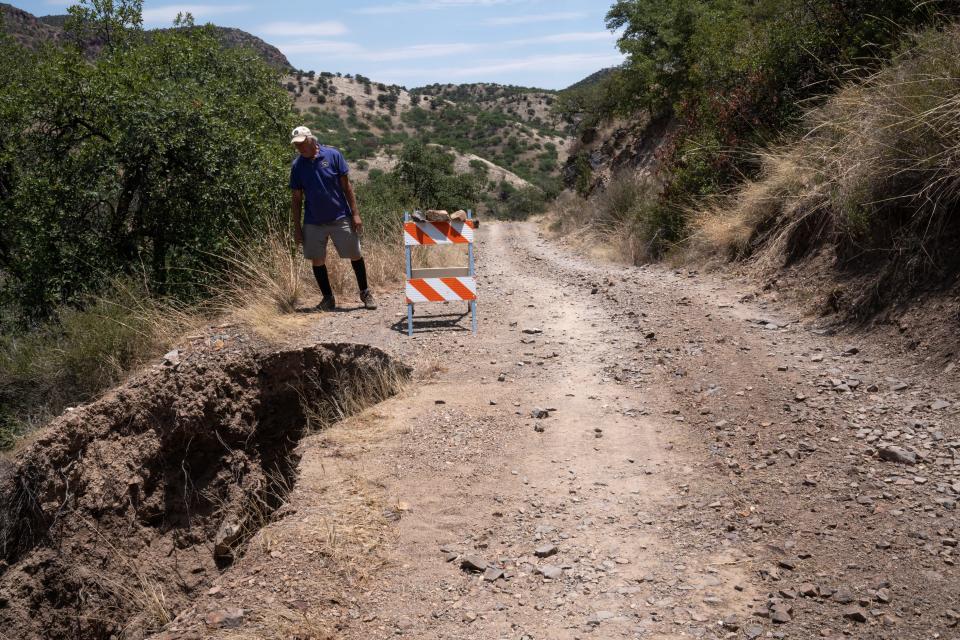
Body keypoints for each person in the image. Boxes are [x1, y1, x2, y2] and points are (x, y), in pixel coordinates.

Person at [289, 125, 376, 311]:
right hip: (313, 221)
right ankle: (328, 299)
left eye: (302, 143)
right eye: (297, 145)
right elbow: (296, 199)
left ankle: (365, 292)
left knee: (355, 254)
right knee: (317, 259)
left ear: (311, 139)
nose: (300, 148)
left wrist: (356, 214)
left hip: (340, 216)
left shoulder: (333, 155)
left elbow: (347, 188)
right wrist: (297, 228)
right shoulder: (297, 166)